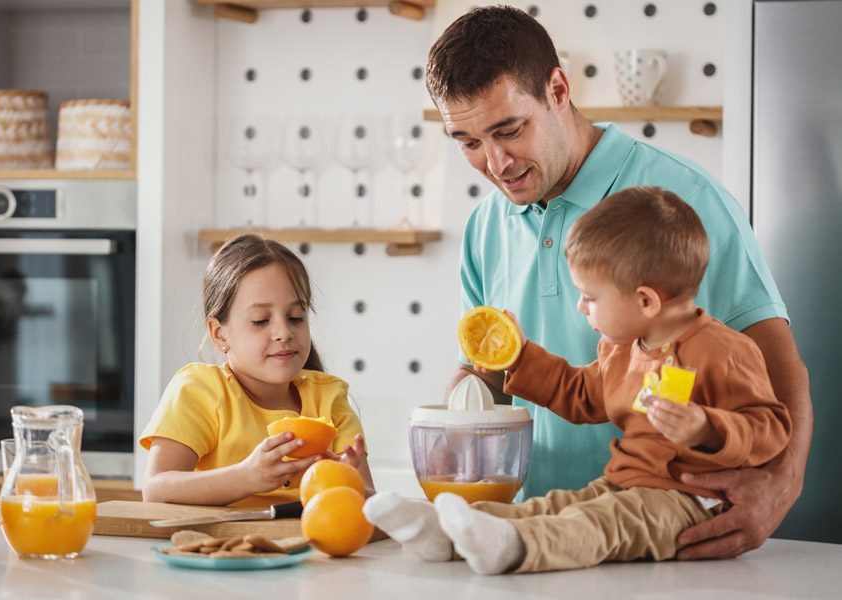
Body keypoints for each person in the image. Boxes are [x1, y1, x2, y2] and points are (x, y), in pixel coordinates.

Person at [425, 5, 811, 560]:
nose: (495, 162)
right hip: (530, 543)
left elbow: (776, 363)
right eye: (466, 141)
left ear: (558, 89)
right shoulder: (485, 226)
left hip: (667, 529)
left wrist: (782, 483)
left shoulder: (684, 201)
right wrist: (454, 421)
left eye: (509, 130)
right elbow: (487, 370)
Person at [364, 186, 793, 574]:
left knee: (599, 525)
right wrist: (520, 355)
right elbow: (580, 394)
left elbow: (771, 426)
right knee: (556, 505)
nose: (582, 308)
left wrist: (707, 427)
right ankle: (443, 532)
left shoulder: (725, 352)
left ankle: (514, 548)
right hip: (626, 482)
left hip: (691, 501)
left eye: (590, 297)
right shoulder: (624, 348)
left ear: (645, 300)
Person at [139, 234, 374, 508]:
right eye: (260, 321)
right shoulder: (199, 390)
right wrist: (245, 478)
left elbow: (369, 497)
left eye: (296, 317)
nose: (284, 332)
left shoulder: (330, 397)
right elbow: (155, 489)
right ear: (219, 334)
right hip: (223, 549)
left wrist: (346, 481)